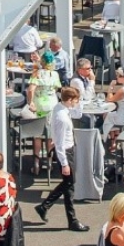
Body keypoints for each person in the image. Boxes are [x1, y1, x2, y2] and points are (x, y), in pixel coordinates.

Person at [35, 87, 88, 232]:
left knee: (69, 186)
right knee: (70, 182)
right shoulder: (62, 118)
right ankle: (46, 206)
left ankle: (70, 219)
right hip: (65, 152)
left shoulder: (61, 108)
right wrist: (64, 163)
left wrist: (80, 101)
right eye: (75, 100)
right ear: (70, 100)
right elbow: (59, 144)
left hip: (67, 149)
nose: (76, 102)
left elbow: (77, 114)